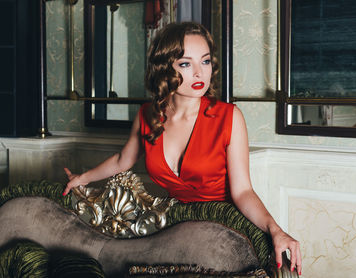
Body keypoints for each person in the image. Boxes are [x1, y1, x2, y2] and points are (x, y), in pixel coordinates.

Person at [63, 22, 302, 275]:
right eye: (186, 64)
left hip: (223, 230)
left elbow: (243, 191)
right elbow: (124, 159)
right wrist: (83, 178)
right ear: (165, 68)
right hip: (176, 225)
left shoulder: (229, 117)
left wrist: (275, 229)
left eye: (206, 61)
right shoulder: (148, 115)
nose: (200, 73)